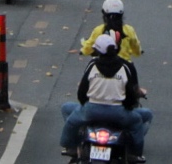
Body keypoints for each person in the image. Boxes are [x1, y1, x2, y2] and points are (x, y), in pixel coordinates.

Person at [60, 34, 151, 162]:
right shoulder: (125, 67)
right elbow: (131, 95)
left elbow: (82, 92)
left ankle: (70, 147)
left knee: (68, 114)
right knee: (137, 122)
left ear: (97, 51)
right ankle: (134, 154)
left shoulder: (92, 65)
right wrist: (127, 107)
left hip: (91, 111)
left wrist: (85, 105)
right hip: (118, 113)